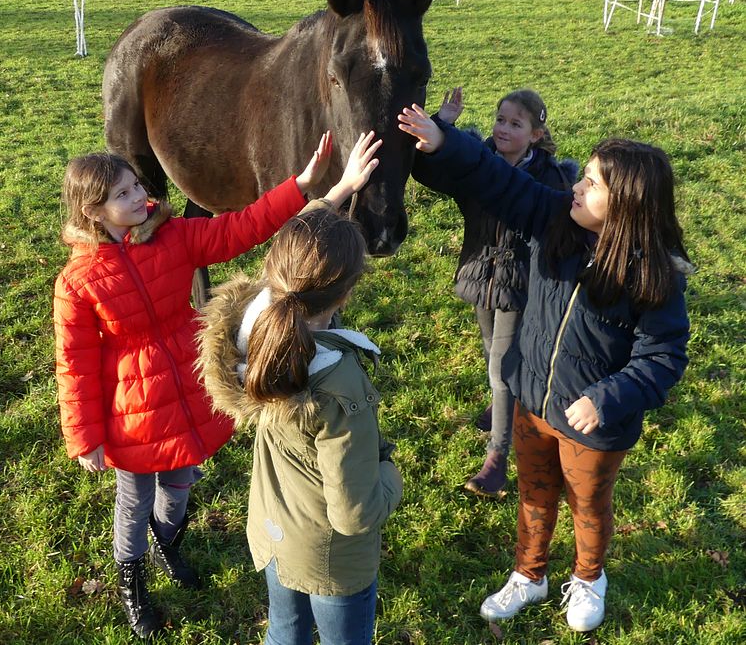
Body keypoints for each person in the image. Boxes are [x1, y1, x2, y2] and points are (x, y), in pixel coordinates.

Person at [54, 131, 382, 640]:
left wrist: (302, 186)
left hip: (188, 390)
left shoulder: (174, 235)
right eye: (123, 194)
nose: (140, 196)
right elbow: (73, 362)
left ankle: (169, 544)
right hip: (132, 410)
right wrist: (85, 436)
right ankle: (132, 580)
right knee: (134, 500)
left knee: (180, 488)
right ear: (93, 211)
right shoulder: (78, 282)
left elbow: (243, 228)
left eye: (137, 185)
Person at [398, 104, 691, 632]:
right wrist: (444, 139)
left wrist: (606, 400)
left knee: (587, 505)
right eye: (582, 177)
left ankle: (587, 577)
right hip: (533, 401)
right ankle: (529, 576)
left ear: (625, 205)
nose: (577, 186)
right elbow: (498, 179)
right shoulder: (555, 216)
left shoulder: (654, 277)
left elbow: (664, 356)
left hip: (596, 426)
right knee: (534, 495)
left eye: (593, 183)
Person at [197, 207, 402, 645]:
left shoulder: (248, 327)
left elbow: (297, 256)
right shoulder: (339, 386)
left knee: (284, 632)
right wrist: (391, 477)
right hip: (329, 557)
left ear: (273, 268)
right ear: (345, 296)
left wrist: (339, 191)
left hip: (273, 531)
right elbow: (354, 514)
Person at [413, 87, 576, 497]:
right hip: (482, 272)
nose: (503, 129)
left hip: (520, 281)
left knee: (502, 368)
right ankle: (500, 401)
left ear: (536, 134)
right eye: (500, 120)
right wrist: (444, 124)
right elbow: (431, 171)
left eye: (515, 124)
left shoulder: (549, 177)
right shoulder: (478, 156)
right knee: (492, 353)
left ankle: (497, 459)